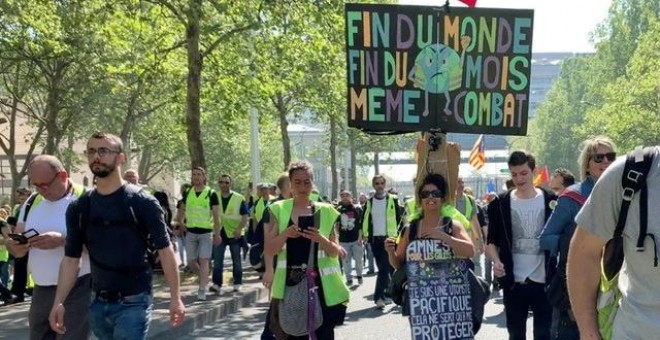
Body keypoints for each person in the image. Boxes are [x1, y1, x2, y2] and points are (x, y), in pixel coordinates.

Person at [48, 132, 184, 339]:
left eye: (104, 151)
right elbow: (70, 259)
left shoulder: (142, 202)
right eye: (92, 151)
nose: (96, 156)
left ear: (121, 157)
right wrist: (58, 302)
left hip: (134, 300)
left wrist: (176, 297)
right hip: (97, 303)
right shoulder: (79, 207)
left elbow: (166, 251)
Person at [567, 148, 659, 339]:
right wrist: (589, 331)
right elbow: (584, 252)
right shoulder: (630, 172)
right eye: (597, 158)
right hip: (637, 332)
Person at [4, 155, 91, 339]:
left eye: (45, 185)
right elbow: (18, 245)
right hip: (41, 290)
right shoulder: (31, 202)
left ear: (63, 175)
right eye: (35, 185)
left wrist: (62, 241)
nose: (41, 190)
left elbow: (103, 247)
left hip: (79, 288)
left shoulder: (86, 199)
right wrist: (16, 247)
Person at [540, 137, 616, 340]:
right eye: (599, 158)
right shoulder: (572, 197)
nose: (605, 162)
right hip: (576, 285)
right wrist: (574, 244)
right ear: (587, 164)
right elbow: (546, 238)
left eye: (610, 157)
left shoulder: (625, 196)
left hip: (614, 288)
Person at [263, 160, 349, 338]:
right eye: (297, 182)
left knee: (324, 335)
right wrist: (285, 233)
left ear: (312, 183)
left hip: (323, 288)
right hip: (289, 286)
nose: (302, 187)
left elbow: (335, 252)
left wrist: (320, 238)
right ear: (290, 184)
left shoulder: (326, 211)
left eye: (307, 182)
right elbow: (270, 249)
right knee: (293, 333)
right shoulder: (277, 210)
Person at [486, 150, 557, 340]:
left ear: (533, 171)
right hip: (513, 283)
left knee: (544, 334)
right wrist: (496, 261)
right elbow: (491, 241)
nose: (519, 178)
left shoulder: (551, 200)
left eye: (524, 173)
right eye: (514, 174)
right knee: (516, 334)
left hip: (544, 282)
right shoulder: (500, 204)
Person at [384, 173, 474, 318]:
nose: (430, 197)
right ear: (420, 200)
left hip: (449, 297)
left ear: (443, 198)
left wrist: (443, 236)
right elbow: (398, 265)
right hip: (421, 301)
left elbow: (470, 251)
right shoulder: (410, 229)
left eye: (435, 193)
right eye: (425, 194)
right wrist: (390, 252)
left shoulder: (453, 226)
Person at [177, 167, 221, 300]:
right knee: (191, 262)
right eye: (194, 174)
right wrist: (180, 222)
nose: (196, 177)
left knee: (203, 260)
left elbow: (216, 215)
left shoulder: (211, 193)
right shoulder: (188, 192)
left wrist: (217, 233)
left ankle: (202, 289)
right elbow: (182, 208)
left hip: (205, 232)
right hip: (190, 232)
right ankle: (204, 277)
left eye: (199, 174)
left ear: (204, 177)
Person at [361, 175, 402, 308]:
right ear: (374, 185)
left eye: (381, 183)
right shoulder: (369, 202)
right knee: (384, 269)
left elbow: (399, 220)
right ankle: (383, 296)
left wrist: (399, 237)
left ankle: (383, 296)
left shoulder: (393, 200)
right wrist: (364, 235)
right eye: (377, 183)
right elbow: (365, 219)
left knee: (387, 269)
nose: (379, 185)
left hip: (389, 239)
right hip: (375, 240)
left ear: (384, 185)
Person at [212, 174, 249, 294]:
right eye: (221, 182)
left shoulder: (239, 198)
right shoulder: (214, 196)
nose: (224, 184)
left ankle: (237, 282)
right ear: (219, 183)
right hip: (219, 232)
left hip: (234, 233)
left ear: (230, 184)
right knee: (217, 261)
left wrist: (239, 229)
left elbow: (245, 217)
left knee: (236, 260)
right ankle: (217, 284)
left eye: (227, 182)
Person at [456, 177, 485, 276]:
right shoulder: (448, 201)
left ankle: (478, 286)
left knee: (473, 264)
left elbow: (475, 221)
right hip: (454, 240)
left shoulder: (470, 200)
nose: (461, 184)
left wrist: (480, 240)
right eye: (458, 182)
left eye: (462, 182)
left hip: (469, 239)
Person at [337, 190, 364, 286]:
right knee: (346, 261)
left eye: (347, 195)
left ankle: (359, 275)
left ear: (351, 197)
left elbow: (361, 224)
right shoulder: (338, 209)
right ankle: (349, 278)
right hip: (343, 240)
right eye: (342, 195)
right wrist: (337, 238)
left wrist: (360, 237)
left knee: (358, 259)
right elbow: (336, 225)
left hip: (356, 239)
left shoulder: (357, 208)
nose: (345, 197)